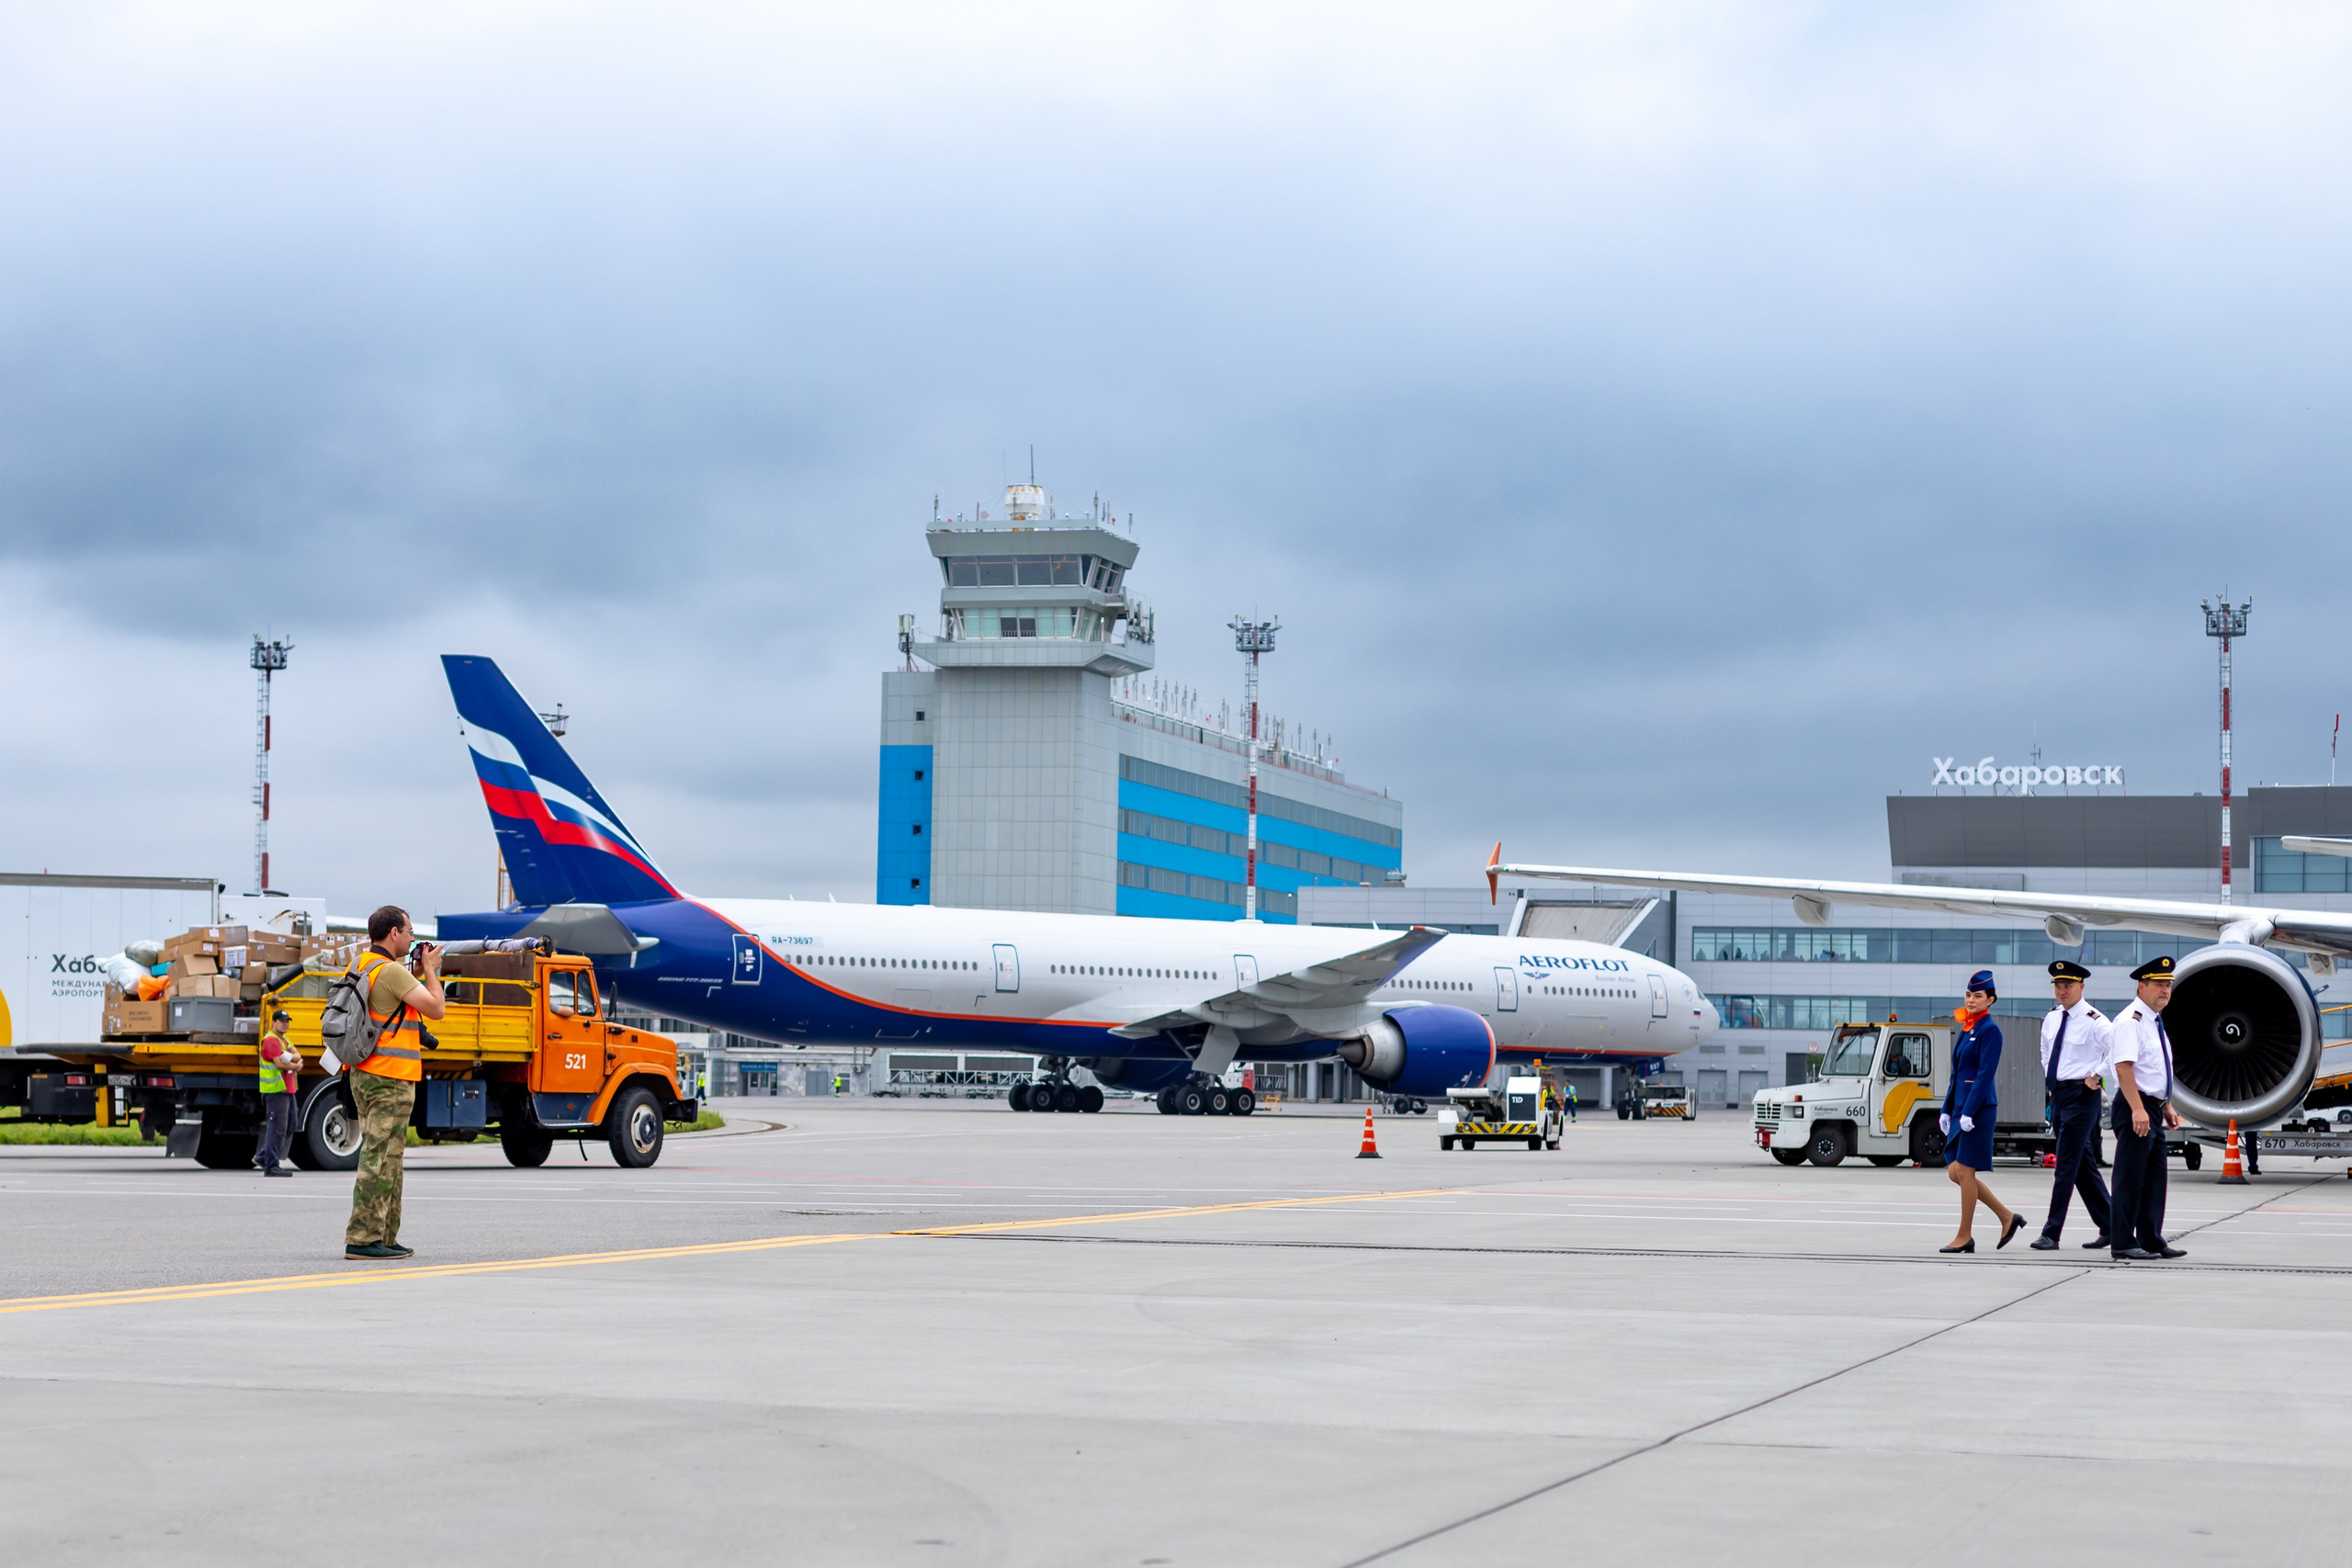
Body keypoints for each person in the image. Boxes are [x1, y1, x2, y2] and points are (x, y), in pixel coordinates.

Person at [344, 906, 447, 1262]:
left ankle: (382, 1236)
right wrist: (430, 971)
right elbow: (436, 1009)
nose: (412, 937)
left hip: (365, 1074)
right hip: (390, 1077)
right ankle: (362, 1237)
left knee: (389, 1158)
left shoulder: (362, 964)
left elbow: (393, 992)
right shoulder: (392, 973)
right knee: (379, 1157)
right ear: (393, 934)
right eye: (409, 932)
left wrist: (417, 970)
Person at [1940, 971, 2026, 1253]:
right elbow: (1957, 1073)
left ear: (1990, 1000)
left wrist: (1969, 1112)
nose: (1971, 1000)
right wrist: (1946, 1109)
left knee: (1965, 1170)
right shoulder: (1968, 1027)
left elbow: (1984, 1074)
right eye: (1968, 995)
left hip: (1978, 1109)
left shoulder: (1990, 1030)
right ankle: (2006, 1217)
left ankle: (1965, 1236)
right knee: (1955, 1171)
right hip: (1961, 1108)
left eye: (1978, 996)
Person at [2030, 962, 2112, 1250]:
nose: (2062, 991)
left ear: (2082, 987)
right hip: (2061, 1095)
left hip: (2082, 1095)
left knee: (2065, 1165)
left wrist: (2097, 1075)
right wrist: (2050, 1079)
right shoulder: (2052, 1017)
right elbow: (2045, 1049)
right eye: (2058, 986)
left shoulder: (2095, 1020)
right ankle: (2113, 1224)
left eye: (2068, 986)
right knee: (2082, 1167)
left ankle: (2052, 1233)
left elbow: (2119, 1050)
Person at [2108, 956, 2187, 1261]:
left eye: (2168, 985)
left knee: (2154, 1179)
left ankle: (2151, 1238)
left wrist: (2166, 1105)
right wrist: (2138, 1109)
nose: (2165, 990)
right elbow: (2124, 1068)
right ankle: (2123, 1242)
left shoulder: (2154, 1021)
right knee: (2129, 1178)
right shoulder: (2132, 1021)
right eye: (2158, 985)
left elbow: (2154, 1070)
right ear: (2142, 987)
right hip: (2134, 1106)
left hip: (2151, 1107)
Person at [254, 1009, 300, 1177]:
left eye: (287, 1021)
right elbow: (281, 1064)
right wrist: (297, 1065)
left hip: (288, 1089)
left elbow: (298, 1055)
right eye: (282, 1021)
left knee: (290, 1124)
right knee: (277, 1128)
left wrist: (294, 1058)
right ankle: (271, 1165)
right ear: (273, 1022)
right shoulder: (271, 1041)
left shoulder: (284, 1039)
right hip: (275, 1090)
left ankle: (263, 1157)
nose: (285, 1023)